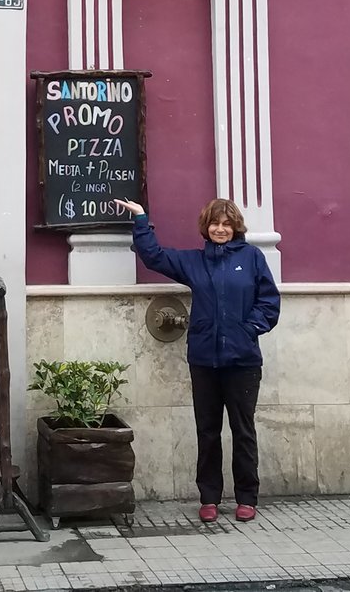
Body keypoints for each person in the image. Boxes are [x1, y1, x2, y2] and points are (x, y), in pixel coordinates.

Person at [113, 196, 279, 524]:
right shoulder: (195, 261)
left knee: (243, 431)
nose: (220, 229)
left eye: (226, 224)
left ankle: (247, 497)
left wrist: (249, 329)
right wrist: (141, 219)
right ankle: (209, 497)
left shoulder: (252, 258)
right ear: (206, 227)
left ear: (235, 227)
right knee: (208, 431)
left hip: (243, 361)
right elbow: (154, 256)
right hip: (204, 360)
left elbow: (269, 302)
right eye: (215, 223)